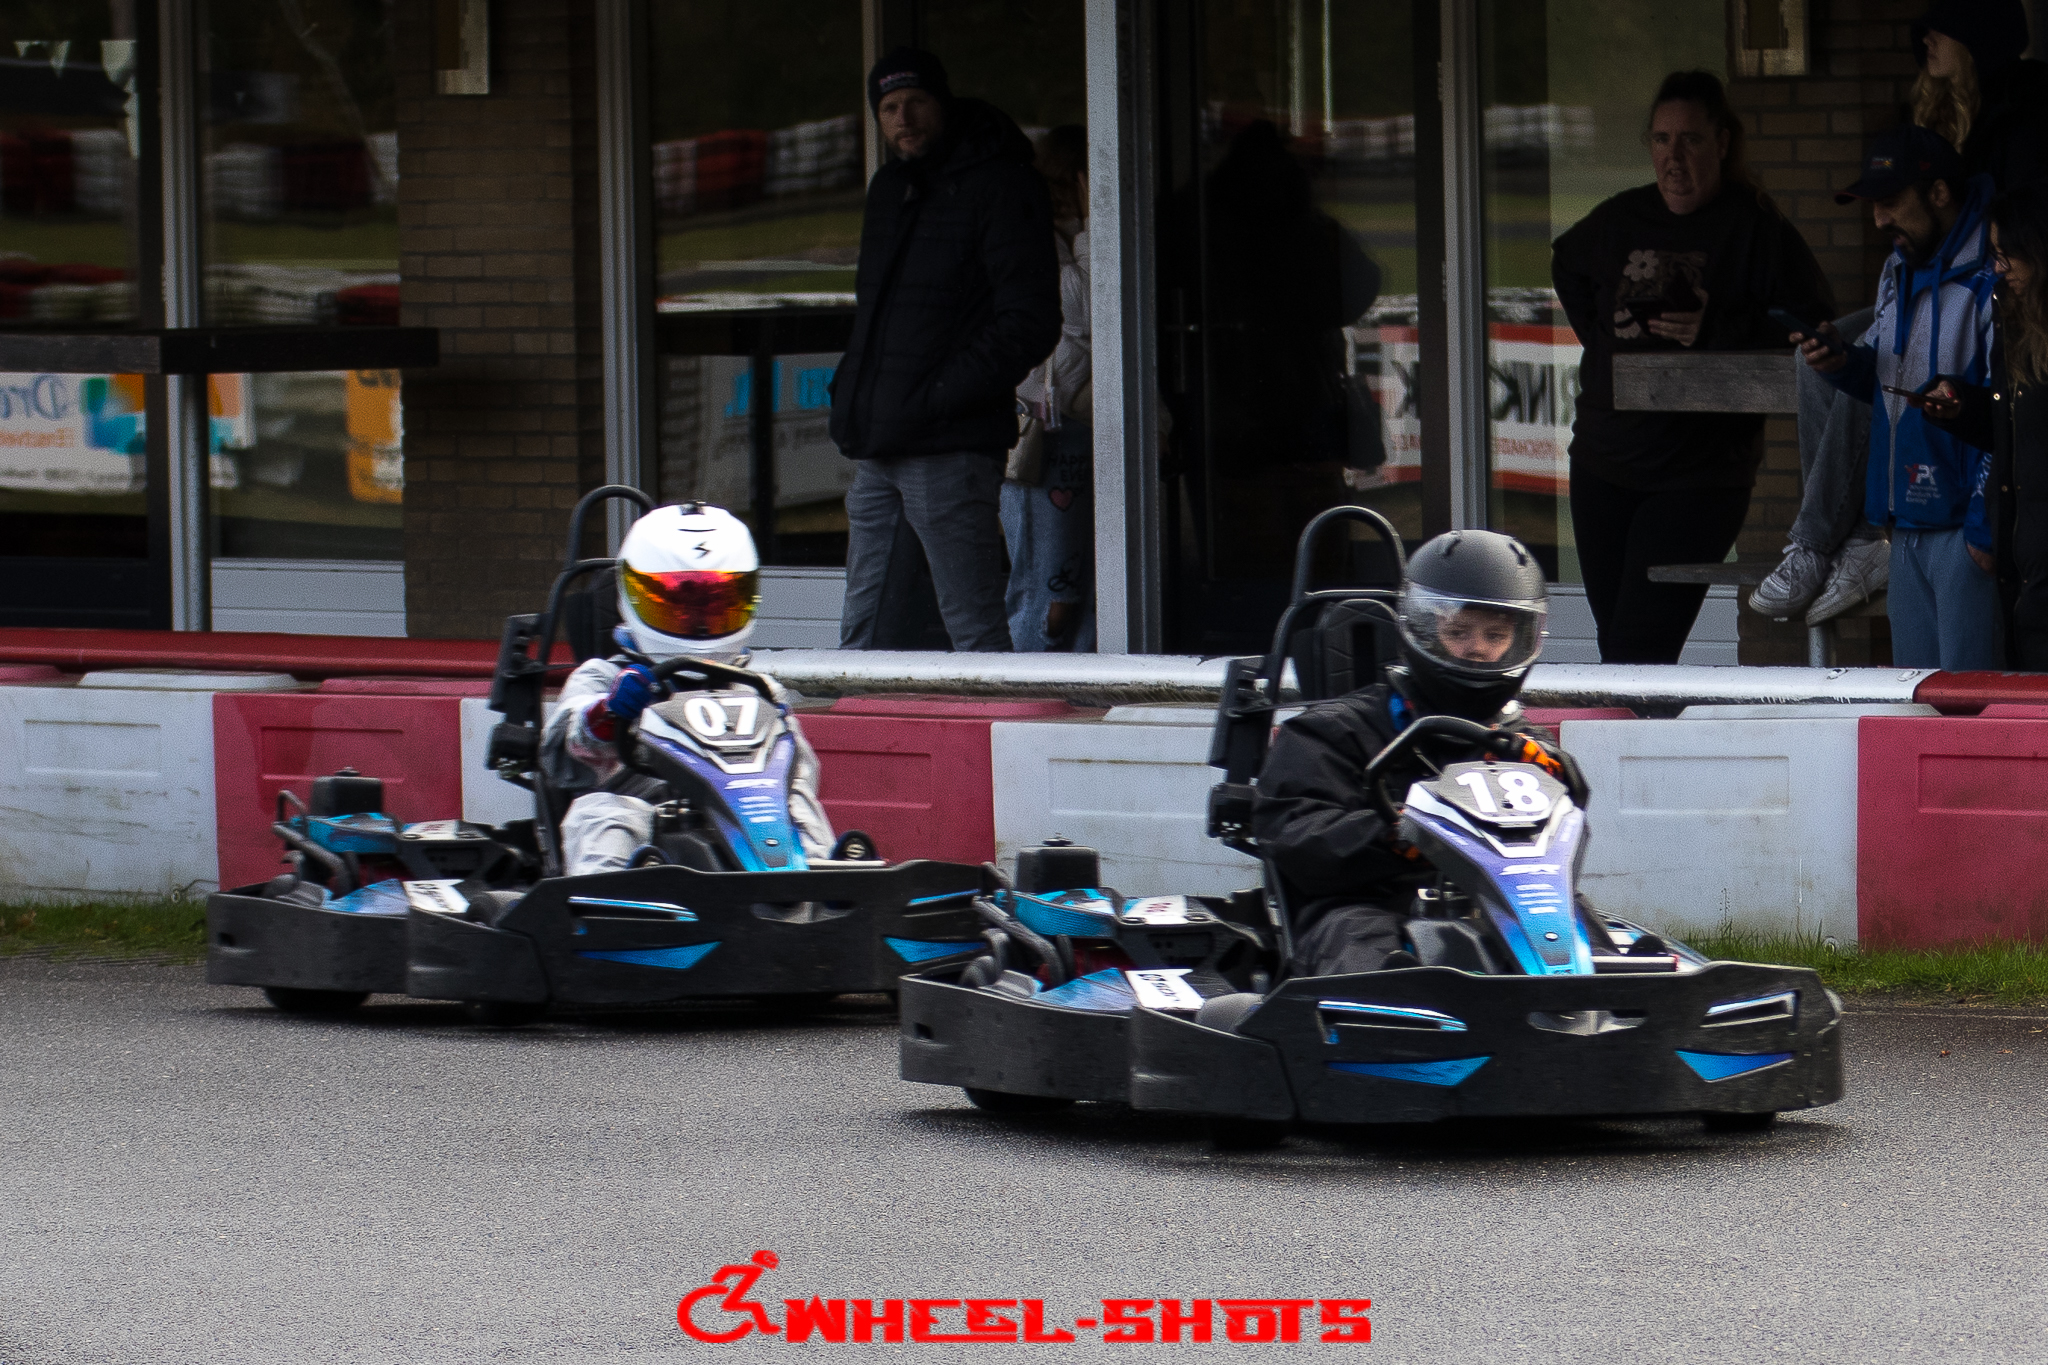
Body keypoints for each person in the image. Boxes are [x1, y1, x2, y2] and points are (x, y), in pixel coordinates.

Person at [1752, 0, 2047, 624]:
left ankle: (1839, 537)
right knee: (1828, 359)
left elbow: (2021, 228)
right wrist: (1841, 361)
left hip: (1989, 281)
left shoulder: (2020, 111)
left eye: (1939, 29)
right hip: (1928, 275)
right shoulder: (1940, 108)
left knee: (1895, 355)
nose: (1926, 41)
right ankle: (1845, 537)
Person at [1551, 71, 1833, 664]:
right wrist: (1601, 339)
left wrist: (1717, 333)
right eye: (1661, 140)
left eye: (1691, 140)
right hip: (1602, 464)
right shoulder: (1621, 218)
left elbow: (1813, 326)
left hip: (1697, 478)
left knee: (1637, 650)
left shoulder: (1754, 227)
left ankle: (1641, 727)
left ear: (1722, 143)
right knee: (1618, 649)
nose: (1673, 158)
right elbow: (1567, 264)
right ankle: (1636, 727)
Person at [1253, 530, 1587, 978]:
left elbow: (1563, 837)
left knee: (1589, 934)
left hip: (1503, 911)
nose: (1478, 649)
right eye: (1458, 632)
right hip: (1370, 909)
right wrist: (1404, 833)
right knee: (1365, 947)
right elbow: (1297, 838)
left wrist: (1560, 780)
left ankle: (1612, 1006)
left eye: (1495, 635)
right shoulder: (1329, 732)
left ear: (1521, 640)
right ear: (1423, 629)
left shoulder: (1522, 744)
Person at [831, 47, 1063, 653]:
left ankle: (1002, 721)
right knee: (861, 633)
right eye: (888, 108)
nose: (903, 118)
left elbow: (1031, 321)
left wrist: (938, 395)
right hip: (879, 440)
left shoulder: (1001, 184)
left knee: (975, 630)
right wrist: (854, 393)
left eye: (916, 102)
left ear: (944, 103)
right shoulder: (891, 189)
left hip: (950, 444)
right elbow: (876, 315)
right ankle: (853, 722)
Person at [1797, 127, 2003, 670]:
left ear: (1939, 193)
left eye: (1890, 202)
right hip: (1904, 528)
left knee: (1972, 710)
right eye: (1873, 205)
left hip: (1962, 532)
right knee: (1917, 705)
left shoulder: (1995, 272)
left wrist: (1982, 534)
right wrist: (1842, 364)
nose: (1879, 219)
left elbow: (2010, 411)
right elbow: (1888, 381)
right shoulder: (1898, 267)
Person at [542, 503, 833, 877]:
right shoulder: (603, 676)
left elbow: (801, 771)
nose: (698, 621)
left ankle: (820, 885)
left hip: (741, 821)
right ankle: (608, 900)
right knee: (602, 813)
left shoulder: (756, 688)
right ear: (633, 598)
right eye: (679, 606)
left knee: (797, 802)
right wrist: (609, 713)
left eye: (715, 604)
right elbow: (562, 750)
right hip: (646, 817)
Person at [1924, 183, 2048, 666]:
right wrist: (1962, 407)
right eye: (1993, 255)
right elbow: (2013, 434)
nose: (1998, 268)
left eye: (2007, 254)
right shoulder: (2012, 322)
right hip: (2023, 571)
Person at [1002, 125, 1095, 652]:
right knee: (1050, 589)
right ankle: (1029, 674)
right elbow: (1084, 312)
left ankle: (1083, 684)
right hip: (1045, 429)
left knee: (1087, 582)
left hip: (1084, 426)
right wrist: (1090, 228)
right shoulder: (1036, 235)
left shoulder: (1070, 236)